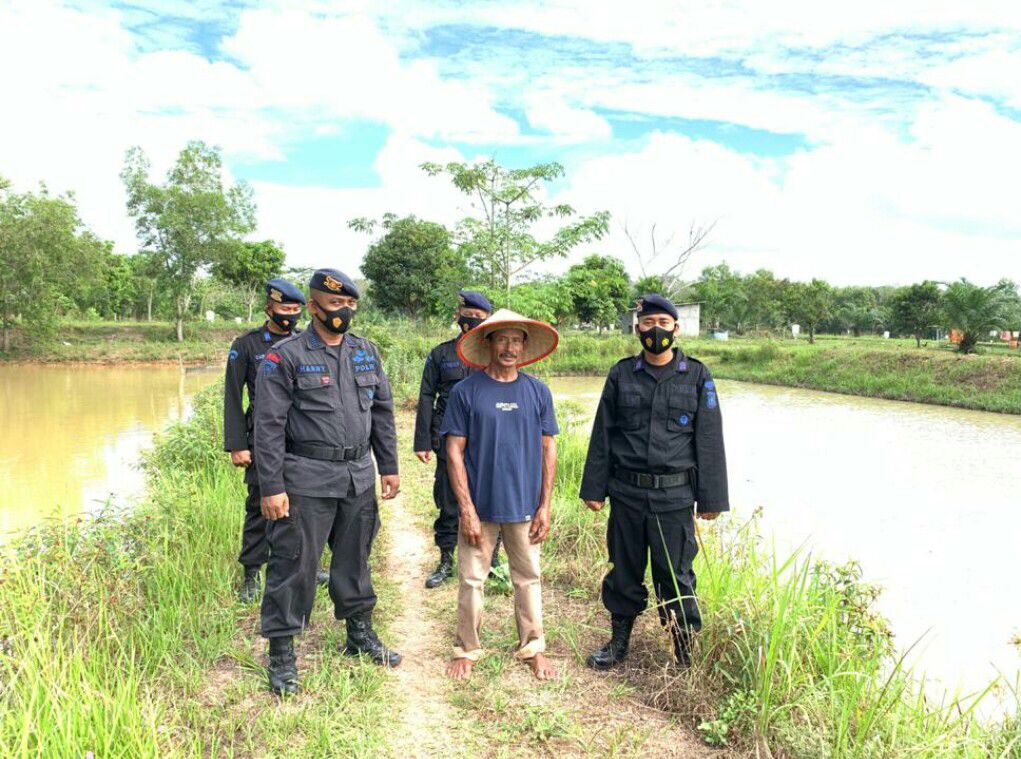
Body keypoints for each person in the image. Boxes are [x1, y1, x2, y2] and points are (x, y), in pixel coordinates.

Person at [254, 268, 402, 696]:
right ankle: (282, 653)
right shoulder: (286, 356)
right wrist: (271, 487)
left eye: (350, 305)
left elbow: (382, 414)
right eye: (336, 304)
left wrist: (388, 467)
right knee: (295, 564)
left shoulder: (365, 353)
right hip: (305, 480)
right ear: (314, 306)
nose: (344, 312)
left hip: (357, 476)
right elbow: (267, 426)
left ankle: (359, 635)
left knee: (355, 560)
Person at [579, 294, 729, 670]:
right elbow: (603, 432)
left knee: (675, 577)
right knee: (624, 571)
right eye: (649, 323)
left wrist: (711, 498)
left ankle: (682, 655)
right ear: (637, 328)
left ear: (676, 329)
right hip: (627, 494)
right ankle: (618, 643)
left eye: (664, 323)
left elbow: (709, 439)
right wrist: (594, 488)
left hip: (675, 497)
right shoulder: (621, 373)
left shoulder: (696, 375)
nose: (656, 330)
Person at [440, 308, 560, 682]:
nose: (510, 348)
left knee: (528, 578)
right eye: (502, 339)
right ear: (488, 343)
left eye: (516, 340)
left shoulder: (538, 392)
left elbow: (548, 448)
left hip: (525, 506)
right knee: (472, 578)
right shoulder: (466, 392)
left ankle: (532, 647)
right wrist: (466, 509)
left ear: (525, 347)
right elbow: (454, 451)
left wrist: (545, 504)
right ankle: (468, 648)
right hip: (481, 505)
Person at [223, 278, 327, 602]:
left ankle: (307, 565)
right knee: (258, 506)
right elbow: (232, 396)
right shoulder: (247, 344)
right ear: (269, 307)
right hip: (261, 438)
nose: (291, 315)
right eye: (285, 308)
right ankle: (252, 573)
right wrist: (237, 444)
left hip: (300, 438)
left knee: (303, 505)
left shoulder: (305, 342)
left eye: (296, 310)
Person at [413, 289, 504, 589]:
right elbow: (427, 396)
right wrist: (422, 441)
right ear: (458, 316)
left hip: (489, 439)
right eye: (468, 316)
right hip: (448, 437)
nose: (472, 322)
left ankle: (492, 560)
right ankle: (445, 559)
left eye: (479, 318)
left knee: (493, 497)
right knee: (450, 501)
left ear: (488, 320)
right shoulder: (440, 354)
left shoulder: (497, 353)